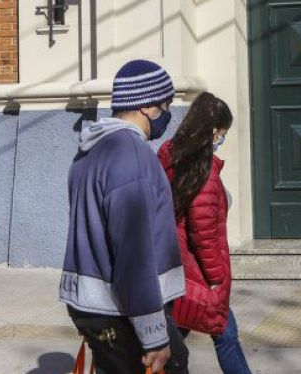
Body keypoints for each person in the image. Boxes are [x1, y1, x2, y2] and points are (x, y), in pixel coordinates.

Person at [60, 60, 189, 374]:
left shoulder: (89, 151)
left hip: (91, 306)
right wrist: (154, 335)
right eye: (166, 104)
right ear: (147, 105)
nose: (168, 113)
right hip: (121, 310)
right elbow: (134, 253)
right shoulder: (131, 153)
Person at [157, 92, 252, 374]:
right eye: (222, 134)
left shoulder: (167, 154)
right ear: (212, 131)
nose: (221, 140)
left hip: (174, 261)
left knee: (180, 327)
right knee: (225, 332)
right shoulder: (205, 171)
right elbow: (205, 234)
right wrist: (216, 280)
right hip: (197, 269)